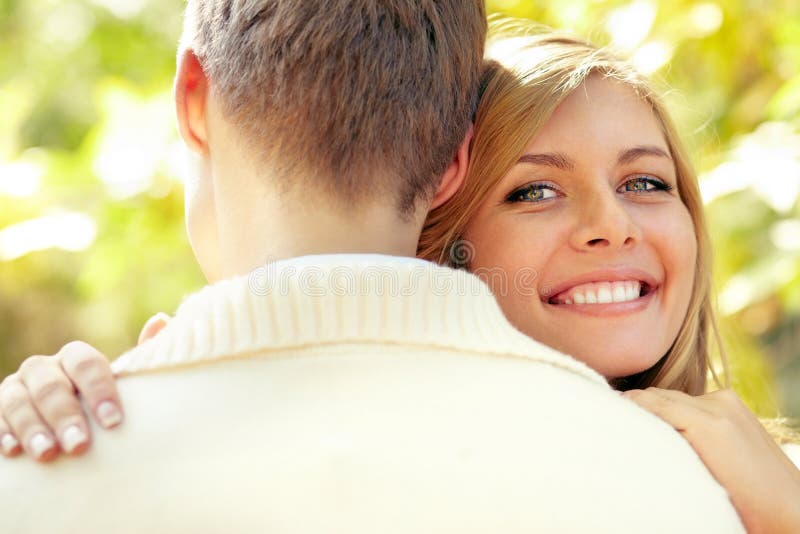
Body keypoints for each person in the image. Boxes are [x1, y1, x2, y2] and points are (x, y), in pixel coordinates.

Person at [0, 6, 754, 532]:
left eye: (648, 182)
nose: (611, 227)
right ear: (447, 198)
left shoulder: (738, 474)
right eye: (534, 191)